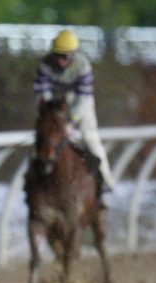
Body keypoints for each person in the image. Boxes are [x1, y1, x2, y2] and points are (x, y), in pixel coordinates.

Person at [33, 29, 115, 192]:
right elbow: (41, 94)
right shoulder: (44, 65)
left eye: (66, 56)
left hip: (79, 102)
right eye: (58, 55)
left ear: (73, 55)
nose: (61, 61)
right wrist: (50, 115)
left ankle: (106, 179)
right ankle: (31, 180)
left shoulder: (83, 65)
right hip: (55, 103)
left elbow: (83, 98)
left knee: (91, 139)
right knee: (42, 139)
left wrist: (70, 123)